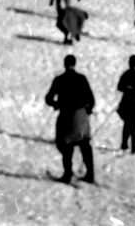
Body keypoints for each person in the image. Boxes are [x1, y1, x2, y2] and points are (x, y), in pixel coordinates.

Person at [45, 55, 96, 184]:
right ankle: (90, 174)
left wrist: (56, 104)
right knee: (85, 144)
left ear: (64, 64)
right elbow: (91, 99)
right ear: (75, 64)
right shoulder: (82, 78)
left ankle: (68, 174)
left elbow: (48, 98)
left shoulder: (59, 79)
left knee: (65, 145)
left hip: (66, 115)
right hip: (81, 115)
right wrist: (88, 111)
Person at [116, 55, 135, 153]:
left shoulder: (125, 75)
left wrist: (127, 89)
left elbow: (119, 87)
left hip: (125, 104)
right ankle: (133, 146)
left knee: (127, 124)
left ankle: (124, 144)